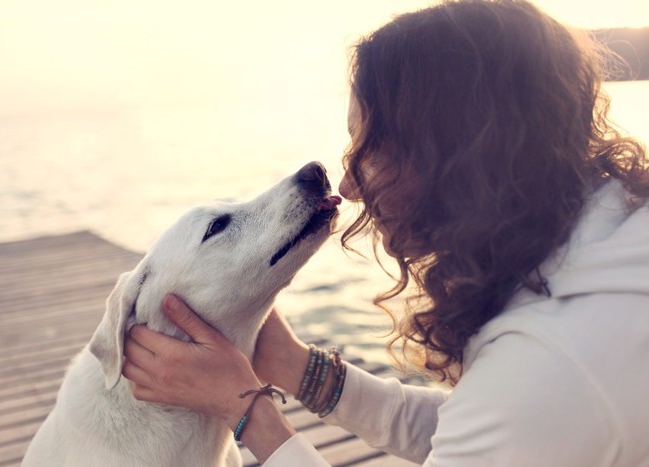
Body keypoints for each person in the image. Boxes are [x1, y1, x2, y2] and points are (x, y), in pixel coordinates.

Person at [122, 0, 649, 465]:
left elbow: (511, 414)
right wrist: (292, 365)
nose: (348, 184)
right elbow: (473, 430)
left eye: (365, 145)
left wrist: (246, 412)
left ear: (449, 153)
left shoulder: (552, 361)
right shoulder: (612, 239)